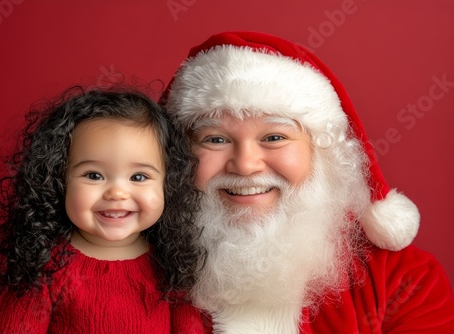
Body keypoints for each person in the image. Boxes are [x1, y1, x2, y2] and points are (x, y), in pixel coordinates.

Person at [160, 31, 454, 333]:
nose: (246, 165)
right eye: (215, 139)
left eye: (275, 137)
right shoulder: (131, 271)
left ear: (320, 151)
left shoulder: (405, 280)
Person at [0, 85, 206, 333]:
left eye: (139, 177)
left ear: (168, 184)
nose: (117, 193)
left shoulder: (172, 267)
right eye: (94, 175)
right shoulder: (45, 269)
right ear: (59, 179)